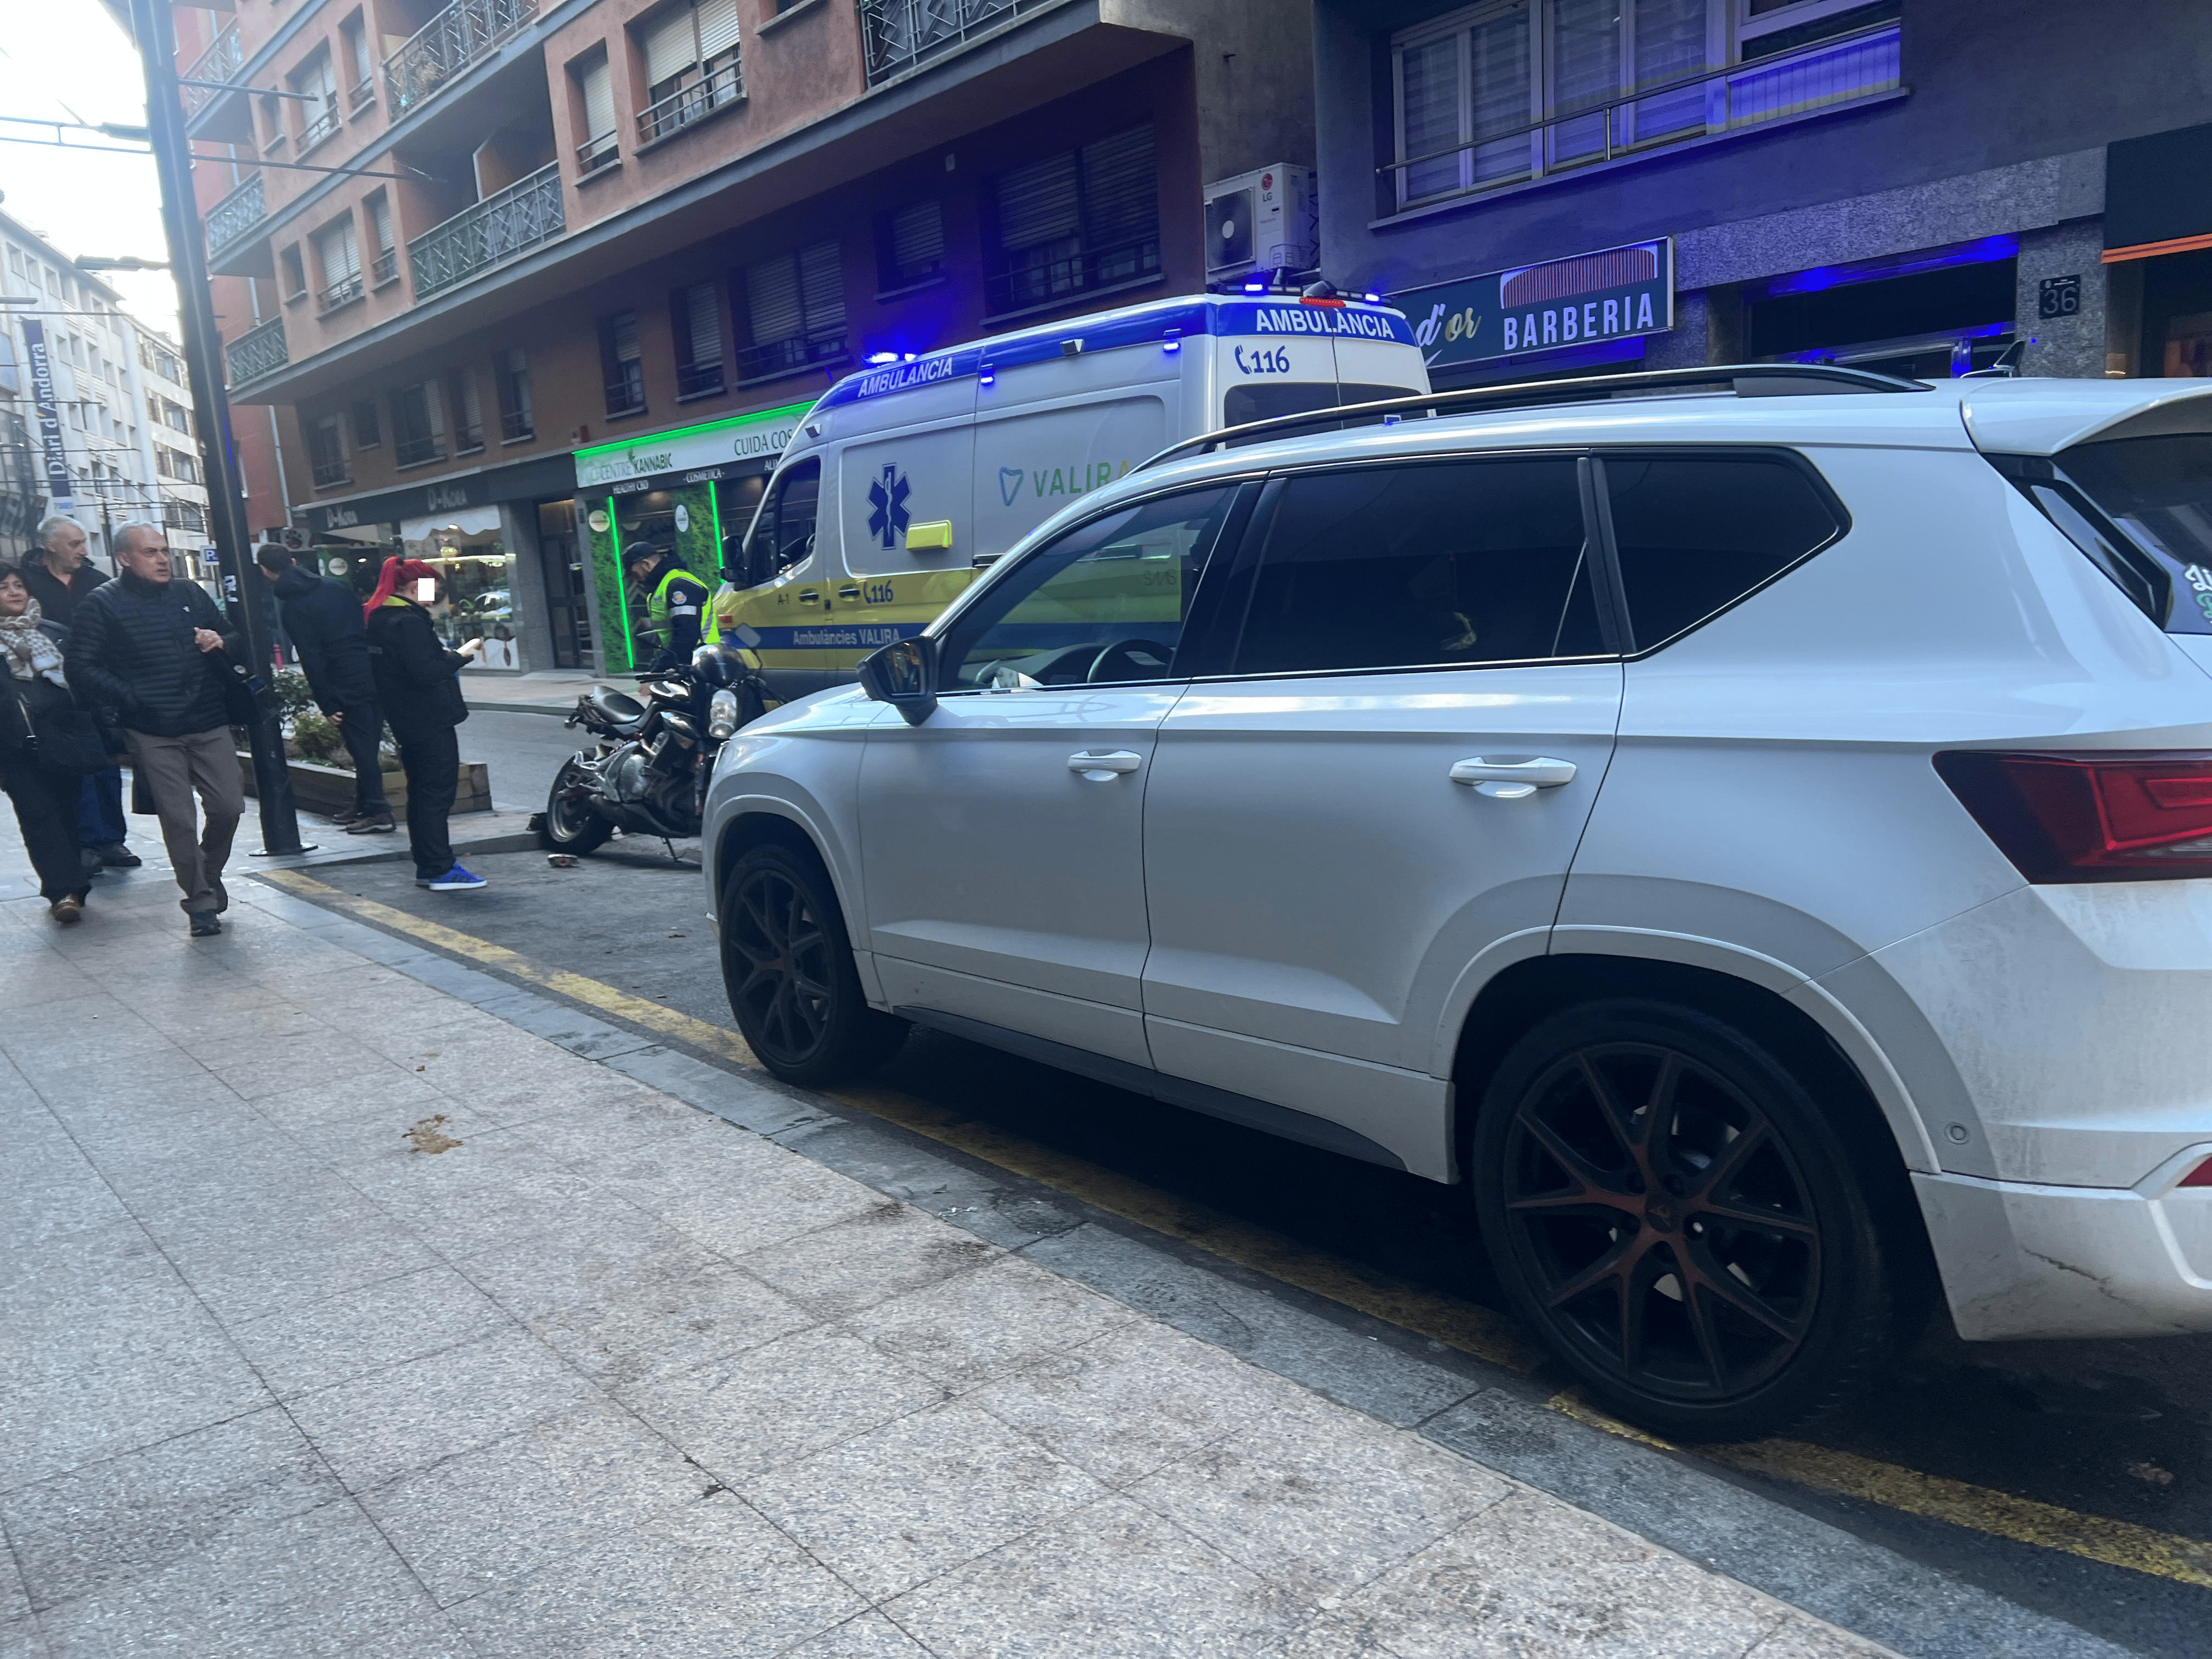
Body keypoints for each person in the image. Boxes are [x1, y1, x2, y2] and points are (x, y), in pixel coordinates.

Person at [64, 522, 243, 938]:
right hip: (152, 729)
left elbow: (234, 635)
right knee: (179, 819)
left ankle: (208, 872)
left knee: (229, 807)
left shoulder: (189, 593)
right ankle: (200, 902)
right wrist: (131, 697)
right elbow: (80, 666)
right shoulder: (101, 603)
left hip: (208, 718)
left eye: (164, 551)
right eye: (150, 553)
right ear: (124, 559)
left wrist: (220, 640)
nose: (162, 560)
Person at [363, 557, 486, 892]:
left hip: (407, 717)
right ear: (415, 588)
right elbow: (426, 672)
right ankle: (439, 868)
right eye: (432, 587)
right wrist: (459, 656)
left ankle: (431, 866)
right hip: (428, 718)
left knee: (422, 794)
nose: (435, 594)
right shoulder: (407, 622)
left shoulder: (381, 617)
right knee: (435, 794)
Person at [253, 545, 393, 834]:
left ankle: (379, 810)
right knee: (367, 743)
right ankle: (364, 803)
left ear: (266, 571)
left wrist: (327, 702)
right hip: (370, 669)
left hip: (341, 678)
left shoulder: (292, 607)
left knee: (361, 748)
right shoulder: (336, 587)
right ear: (293, 561)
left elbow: (312, 657)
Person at [26, 515, 137, 873]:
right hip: (51, 689)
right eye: (74, 544)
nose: (83, 550)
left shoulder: (96, 580)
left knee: (107, 763)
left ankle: (112, 840)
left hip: (98, 685)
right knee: (75, 766)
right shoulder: (25, 582)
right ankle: (86, 841)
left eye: (83, 542)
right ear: (50, 546)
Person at [0, 565, 96, 924]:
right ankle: (62, 891)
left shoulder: (53, 633)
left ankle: (75, 884)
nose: (14, 592)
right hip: (13, 747)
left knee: (67, 812)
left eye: (18, 585)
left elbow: (80, 681)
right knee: (39, 815)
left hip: (62, 738)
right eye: (3, 587)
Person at [624, 543, 710, 671]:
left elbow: (686, 636)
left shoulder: (679, 585)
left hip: (703, 663)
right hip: (689, 665)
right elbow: (667, 634)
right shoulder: (661, 588)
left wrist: (660, 668)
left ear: (646, 565)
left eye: (635, 574)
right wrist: (659, 661)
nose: (636, 580)